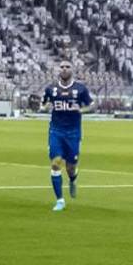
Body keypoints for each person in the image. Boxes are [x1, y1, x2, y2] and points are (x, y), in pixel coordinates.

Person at [42, 61, 93, 211]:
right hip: (56, 131)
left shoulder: (80, 88)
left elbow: (92, 104)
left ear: (72, 69)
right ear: (59, 70)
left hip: (73, 133)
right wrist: (44, 108)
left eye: (67, 67)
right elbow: (44, 104)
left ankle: (73, 179)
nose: (64, 69)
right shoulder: (51, 89)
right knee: (56, 163)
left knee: (70, 167)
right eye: (62, 67)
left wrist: (81, 110)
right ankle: (60, 200)